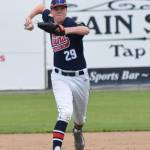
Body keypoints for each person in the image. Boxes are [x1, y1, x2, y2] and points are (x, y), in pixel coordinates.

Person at [24, 0, 90, 150]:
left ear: (66, 10)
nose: (59, 11)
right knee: (65, 112)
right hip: (60, 77)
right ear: (52, 11)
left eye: (62, 8)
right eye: (56, 8)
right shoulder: (49, 19)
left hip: (80, 78)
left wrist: (64, 30)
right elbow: (41, 8)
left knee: (80, 119)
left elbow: (86, 30)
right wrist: (29, 18)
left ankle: (77, 130)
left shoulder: (71, 23)